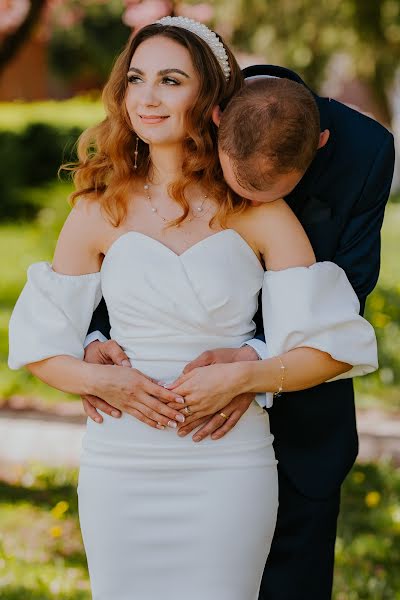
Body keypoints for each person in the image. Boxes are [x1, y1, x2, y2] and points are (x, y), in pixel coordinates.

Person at [8, 18, 379, 600]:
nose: (147, 96)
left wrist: (248, 376)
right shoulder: (96, 209)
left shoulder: (260, 212)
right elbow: (38, 346)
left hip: (227, 464)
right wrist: (107, 382)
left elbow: (333, 348)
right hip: (120, 464)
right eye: (136, 78)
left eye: (171, 80)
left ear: (209, 102)